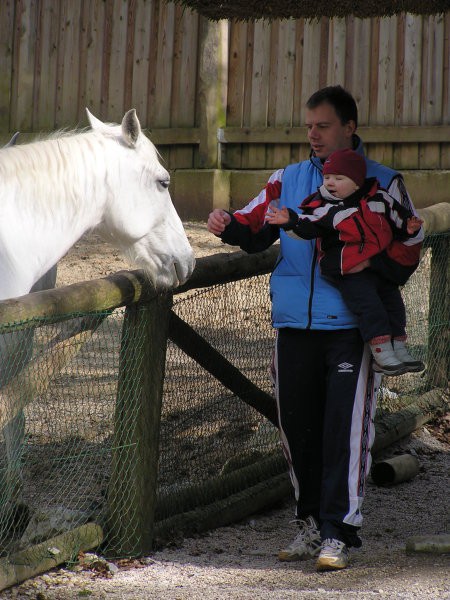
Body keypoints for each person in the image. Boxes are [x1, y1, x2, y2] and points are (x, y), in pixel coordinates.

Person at [207, 85, 424, 572]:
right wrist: (227, 225)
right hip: (292, 325)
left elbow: (406, 252)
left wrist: (365, 268)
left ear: (349, 127)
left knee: (342, 435)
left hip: (350, 329)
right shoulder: (286, 179)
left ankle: (338, 532)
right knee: (296, 431)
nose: (313, 135)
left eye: (323, 126)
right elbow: (255, 229)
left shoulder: (384, 183)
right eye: (309, 126)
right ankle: (308, 523)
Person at [265, 147, 424, 376]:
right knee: (370, 306)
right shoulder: (326, 207)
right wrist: (290, 220)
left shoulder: (379, 199)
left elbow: (396, 216)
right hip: (347, 269)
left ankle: (398, 347)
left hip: (377, 265)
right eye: (327, 177)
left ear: (357, 182)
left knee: (394, 304)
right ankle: (381, 352)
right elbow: (308, 224)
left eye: (339, 178)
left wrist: (407, 228)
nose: (330, 182)